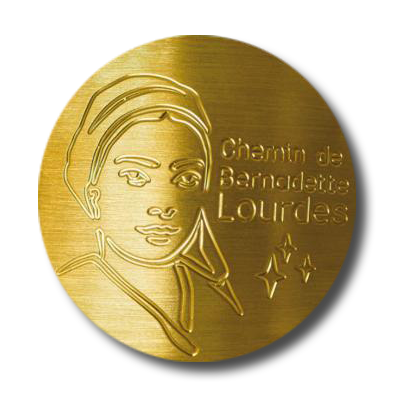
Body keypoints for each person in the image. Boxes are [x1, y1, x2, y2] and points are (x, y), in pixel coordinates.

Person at [57, 74, 243, 357]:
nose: (163, 205)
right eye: (136, 176)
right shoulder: (70, 294)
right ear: (94, 197)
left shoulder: (216, 293)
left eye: (187, 178)